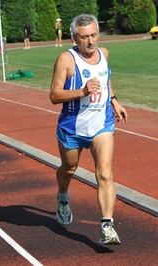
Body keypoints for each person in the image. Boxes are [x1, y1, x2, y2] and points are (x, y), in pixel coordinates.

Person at [49, 14, 128, 245]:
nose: (91, 41)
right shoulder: (66, 59)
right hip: (72, 127)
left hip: (101, 124)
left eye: (94, 35)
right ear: (75, 37)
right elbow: (54, 95)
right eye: (85, 37)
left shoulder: (104, 54)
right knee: (69, 168)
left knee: (104, 172)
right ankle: (63, 198)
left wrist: (114, 100)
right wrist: (82, 92)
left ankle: (107, 226)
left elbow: (106, 79)